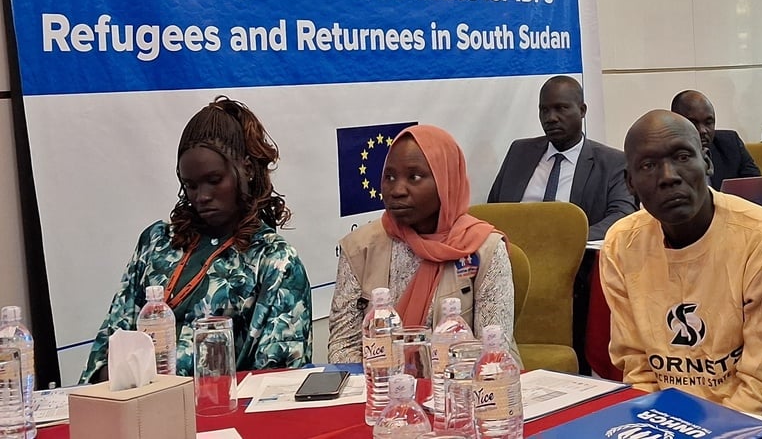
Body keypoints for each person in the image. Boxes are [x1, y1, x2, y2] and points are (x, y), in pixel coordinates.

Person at [600, 110, 762, 438]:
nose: (668, 176)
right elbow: (638, 369)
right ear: (630, 183)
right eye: (648, 165)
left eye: (682, 156)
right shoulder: (620, 244)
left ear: (707, 162)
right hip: (671, 421)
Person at [81, 97, 311, 382]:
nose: (201, 196)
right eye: (190, 185)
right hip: (137, 409)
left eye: (214, 181)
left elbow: (278, 381)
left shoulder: (275, 261)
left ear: (247, 171)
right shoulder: (156, 242)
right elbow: (110, 344)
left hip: (222, 417)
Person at [329, 125, 515, 362]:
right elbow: (343, 346)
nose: (397, 190)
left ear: (447, 182)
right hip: (380, 390)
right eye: (389, 177)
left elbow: (493, 350)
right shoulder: (359, 248)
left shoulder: (484, 249)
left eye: (414, 177)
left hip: (464, 390)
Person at [487, 75, 634, 241]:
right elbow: (493, 211)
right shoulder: (519, 152)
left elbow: (622, 218)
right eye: (544, 110)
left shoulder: (612, 162)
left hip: (575, 259)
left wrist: (565, 242)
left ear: (582, 110)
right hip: (515, 254)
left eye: (561, 108)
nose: (551, 118)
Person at [670, 90, 760, 190]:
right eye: (693, 123)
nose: (703, 130)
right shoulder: (663, 155)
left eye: (708, 122)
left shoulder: (730, 144)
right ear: (675, 123)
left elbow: (756, 187)